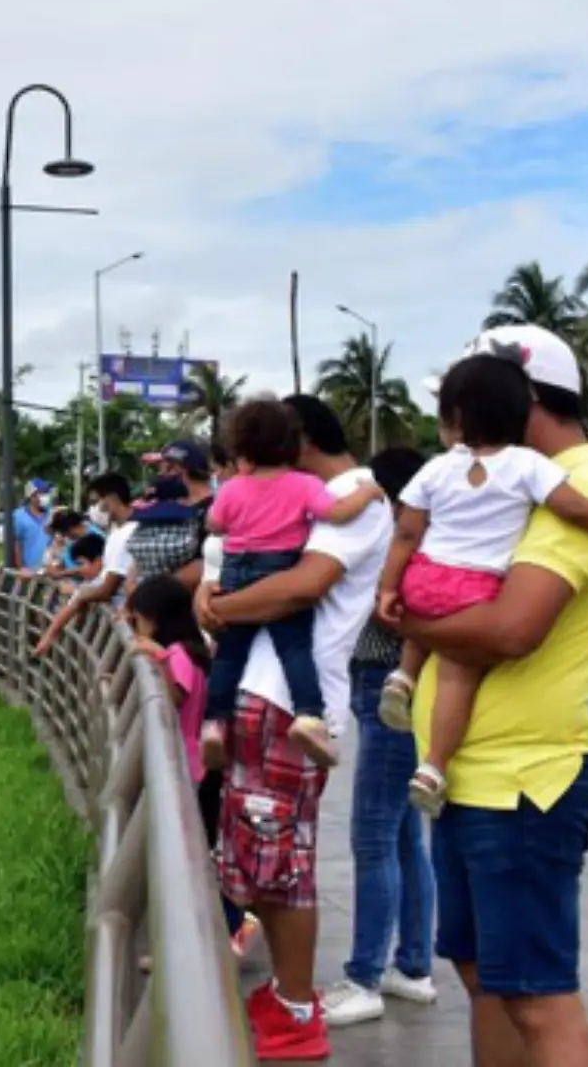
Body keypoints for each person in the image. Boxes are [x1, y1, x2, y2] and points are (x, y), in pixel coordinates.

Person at [395, 325, 588, 1066]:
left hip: (524, 783)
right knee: (487, 978)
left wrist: (400, 615)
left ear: (528, 404)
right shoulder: (506, 480)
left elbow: (511, 630)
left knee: (537, 995)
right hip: (470, 778)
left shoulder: (577, 482)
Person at [195, 393, 391, 1060]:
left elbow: (299, 587)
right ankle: (286, 996)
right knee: (256, 856)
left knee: (284, 860)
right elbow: (229, 552)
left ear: (297, 438)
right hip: (260, 695)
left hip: (289, 703)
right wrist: (209, 593)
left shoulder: (353, 497)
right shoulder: (304, 493)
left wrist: (220, 606)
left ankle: (296, 1012)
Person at [376, 352, 588, 818]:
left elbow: (408, 533)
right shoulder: (529, 469)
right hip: (471, 588)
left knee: (449, 636)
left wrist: (390, 594)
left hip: (516, 785)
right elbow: (576, 510)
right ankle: (434, 763)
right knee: (459, 663)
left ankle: (404, 676)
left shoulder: (439, 467)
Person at [320, 445, 440, 1029]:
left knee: (372, 835)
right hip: (401, 691)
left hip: (389, 690)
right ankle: (412, 965)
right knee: (401, 837)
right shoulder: (431, 542)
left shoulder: (408, 548)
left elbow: (391, 613)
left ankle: (364, 976)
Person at [200, 399, 386, 770]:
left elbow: (215, 525)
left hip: (238, 582)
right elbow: (336, 515)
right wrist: (367, 492)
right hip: (278, 692)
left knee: (228, 656)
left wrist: (212, 605)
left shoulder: (235, 487)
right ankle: (309, 715)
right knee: (295, 650)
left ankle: (212, 723)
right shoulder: (307, 486)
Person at [126, 574, 259, 955]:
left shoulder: (180, 653)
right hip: (196, 764)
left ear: (156, 617)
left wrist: (156, 657)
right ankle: (230, 921)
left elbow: (174, 696)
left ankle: (226, 925)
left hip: (187, 765)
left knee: (187, 854)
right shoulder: (193, 649)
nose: (136, 627)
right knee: (194, 851)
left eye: (139, 619)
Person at [32, 473, 136, 653]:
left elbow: (106, 589)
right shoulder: (115, 533)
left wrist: (80, 594)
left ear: (111, 498)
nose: (96, 509)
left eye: (98, 501)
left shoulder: (124, 535)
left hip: (125, 622)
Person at [127, 439, 217, 590]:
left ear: (175, 468)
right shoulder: (167, 508)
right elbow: (138, 560)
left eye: (161, 467)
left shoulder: (214, 510)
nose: (159, 474)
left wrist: (153, 590)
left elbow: (209, 564)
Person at [11, 478, 54, 571]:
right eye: (42, 492)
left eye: (46, 492)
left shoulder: (52, 514)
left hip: (50, 571)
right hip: (29, 571)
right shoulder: (18, 516)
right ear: (32, 495)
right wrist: (21, 568)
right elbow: (17, 544)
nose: (46, 496)